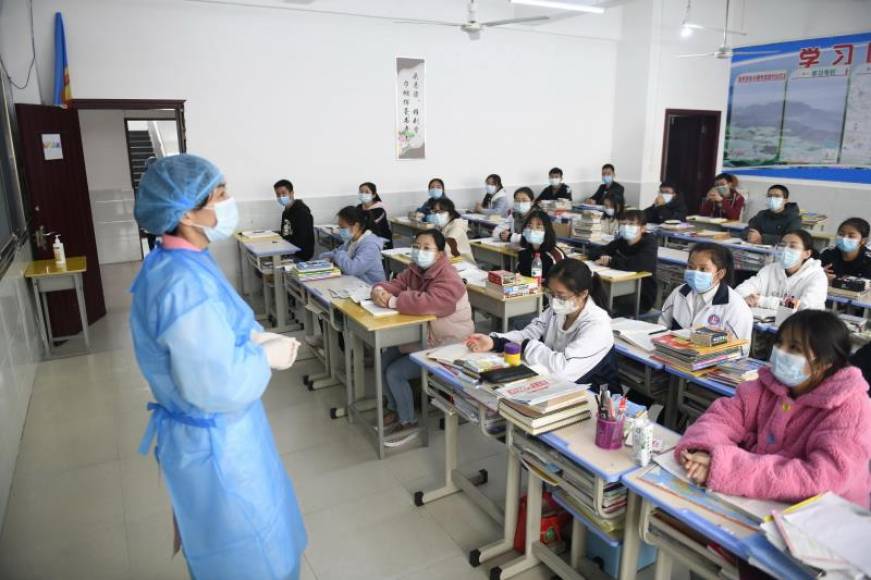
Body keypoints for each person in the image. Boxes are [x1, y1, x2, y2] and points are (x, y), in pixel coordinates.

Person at [131, 155, 307, 579]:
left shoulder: (180, 260)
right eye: (221, 194)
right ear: (188, 212)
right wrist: (262, 355)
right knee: (249, 554)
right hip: (216, 442)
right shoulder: (182, 284)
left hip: (213, 434)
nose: (230, 202)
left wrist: (250, 337)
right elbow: (217, 384)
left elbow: (216, 327)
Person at [675, 310, 871, 508]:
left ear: (824, 363)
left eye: (794, 348)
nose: (781, 352)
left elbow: (820, 478)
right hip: (757, 504)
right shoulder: (766, 385)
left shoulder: (852, 409)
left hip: (822, 521)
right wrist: (703, 452)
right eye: (779, 343)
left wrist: (726, 468)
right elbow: (720, 419)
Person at [371, 230, 474, 433]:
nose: (420, 252)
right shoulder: (416, 269)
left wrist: (392, 301)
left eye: (426, 248)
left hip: (448, 342)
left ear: (439, 254)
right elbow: (396, 284)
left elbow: (430, 303)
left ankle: (407, 420)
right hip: (423, 335)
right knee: (382, 361)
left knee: (394, 373)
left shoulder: (448, 276)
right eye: (416, 247)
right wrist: (379, 290)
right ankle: (395, 408)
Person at [465, 260, 617, 387]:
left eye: (561, 296)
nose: (555, 300)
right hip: (558, 384)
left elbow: (562, 369)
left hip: (595, 395)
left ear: (583, 294)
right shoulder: (557, 310)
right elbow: (528, 334)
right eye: (552, 294)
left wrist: (526, 346)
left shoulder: (598, 325)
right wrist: (494, 341)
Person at [659, 243, 754, 353]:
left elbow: (741, 351)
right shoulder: (679, 293)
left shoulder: (736, 308)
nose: (695, 273)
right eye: (691, 267)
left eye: (703, 269)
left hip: (713, 366)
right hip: (673, 358)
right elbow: (661, 328)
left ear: (720, 274)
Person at [587, 210, 658, 316]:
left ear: (643, 228)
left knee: (603, 309)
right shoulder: (621, 242)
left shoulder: (649, 243)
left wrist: (610, 261)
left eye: (631, 224)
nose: (626, 227)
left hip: (641, 296)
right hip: (617, 292)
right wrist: (602, 256)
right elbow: (595, 252)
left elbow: (637, 264)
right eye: (623, 224)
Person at [736, 229, 828, 311]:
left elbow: (805, 306)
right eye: (783, 245)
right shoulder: (770, 269)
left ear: (807, 254)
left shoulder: (817, 276)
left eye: (792, 246)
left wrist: (762, 301)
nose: (785, 250)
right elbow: (740, 291)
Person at [319, 206, 386, 285]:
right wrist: (330, 256)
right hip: (353, 283)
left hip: (371, 288)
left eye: (342, 227)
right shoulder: (351, 240)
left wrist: (338, 255)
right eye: (339, 227)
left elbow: (352, 269)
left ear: (356, 226)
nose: (339, 230)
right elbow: (330, 254)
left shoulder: (370, 245)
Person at [516, 209, 566, 280]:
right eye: (529, 226)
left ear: (547, 230)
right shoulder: (523, 251)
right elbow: (520, 276)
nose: (533, 230)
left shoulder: (556, 254)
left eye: (538, 226)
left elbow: (559, 283)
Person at [275, 178, 315, 260]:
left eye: (283, 193)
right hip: (289, 251)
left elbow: (301, 240)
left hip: (300, 254)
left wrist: (283, 247)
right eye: (278, 194)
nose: (280, 197)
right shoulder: (286, 212)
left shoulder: (302, 212)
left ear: (292, 193)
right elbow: (285, 234)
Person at [429, 197, 475, 264]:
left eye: (439, 212)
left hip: (462, 265)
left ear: (450, 213)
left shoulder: (457, 228)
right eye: (434, 212)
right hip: (448, 262)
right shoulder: (441, 226)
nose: (436, 215)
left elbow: (446, 251)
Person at [356, 181, 393, 249]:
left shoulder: (380, 210)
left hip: (380, 240)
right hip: (363, 238)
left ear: (374, 195)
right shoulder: (358, 207)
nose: (363, 194)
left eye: (367, 192)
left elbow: (368, 226)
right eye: (361, 192)